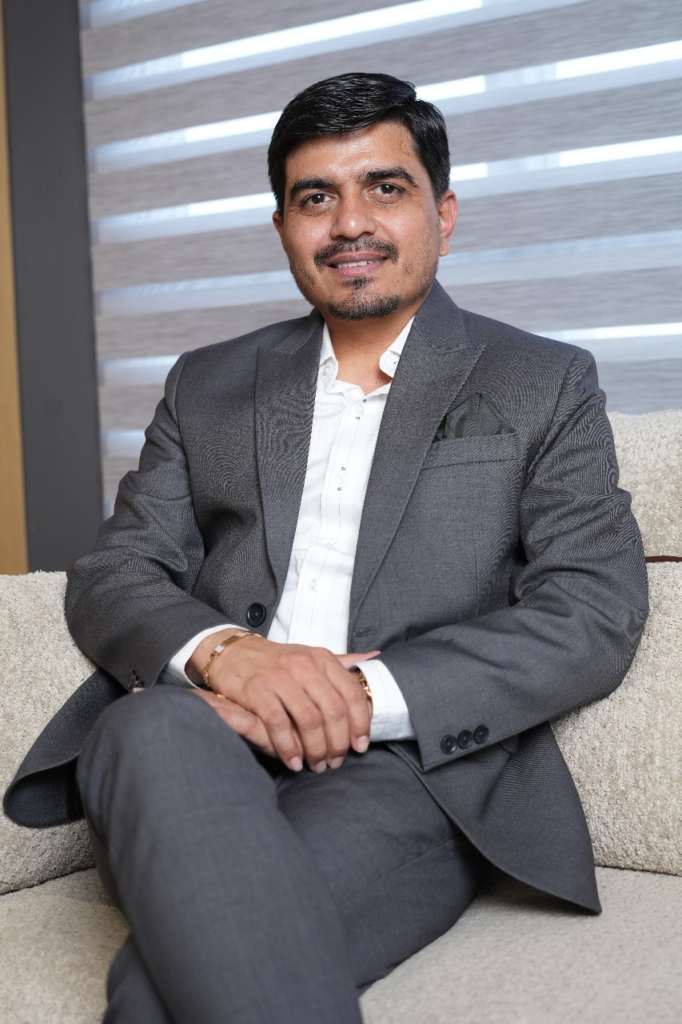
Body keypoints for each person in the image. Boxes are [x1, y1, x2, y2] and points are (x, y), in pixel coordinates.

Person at [5, 73, 648, 1023]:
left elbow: (590, 611)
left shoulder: (544, 381)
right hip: (190, 739)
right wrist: (230, 658)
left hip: (407, 770)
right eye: (317, 197)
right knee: (144, 726)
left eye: (385, 187)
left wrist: (347, 697)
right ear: (283, 227)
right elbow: (117, 570)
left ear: (443, 213)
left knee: (157, 993)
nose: (351, 222)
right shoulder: (206, 384)